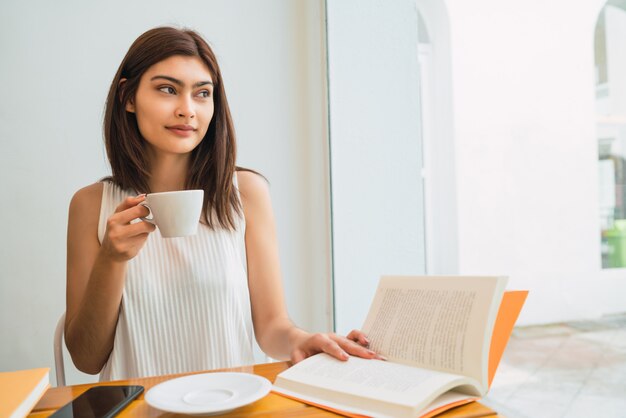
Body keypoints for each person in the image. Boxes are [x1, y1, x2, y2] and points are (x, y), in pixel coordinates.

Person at [64, 26, 379, 381]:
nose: (187, 110)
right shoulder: (91, 205)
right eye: (167, 89)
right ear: (128, 96)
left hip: (231, 405)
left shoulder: (245, 193)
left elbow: (272, 325)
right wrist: (112, 258)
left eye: (202, 93)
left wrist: (304, 340)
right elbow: (86, 359)